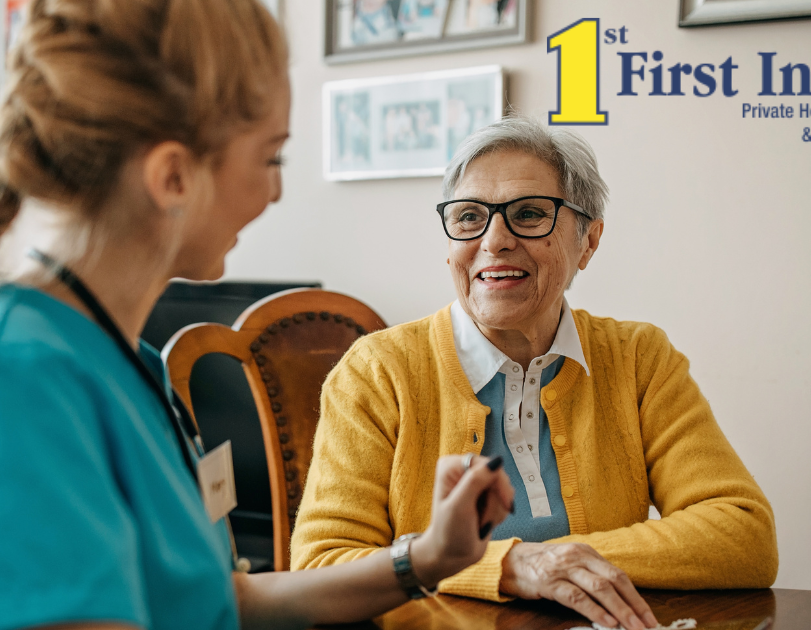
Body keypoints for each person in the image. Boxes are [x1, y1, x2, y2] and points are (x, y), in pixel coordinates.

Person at [0, 1, 514, 629]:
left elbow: (222, 602)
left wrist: (425, 558)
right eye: (271, 156)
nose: (275, 191)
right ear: (173, 176)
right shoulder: (14, 376)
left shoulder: (131, 361)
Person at [291, 117, 779, 630]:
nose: (494, 240)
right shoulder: (375, 371)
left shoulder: (639, 357)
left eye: (528, 214)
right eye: (468, 217)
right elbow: (322, 565)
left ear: (588, 241)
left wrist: (553, 562)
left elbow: (742, 534)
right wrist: (509, 567)